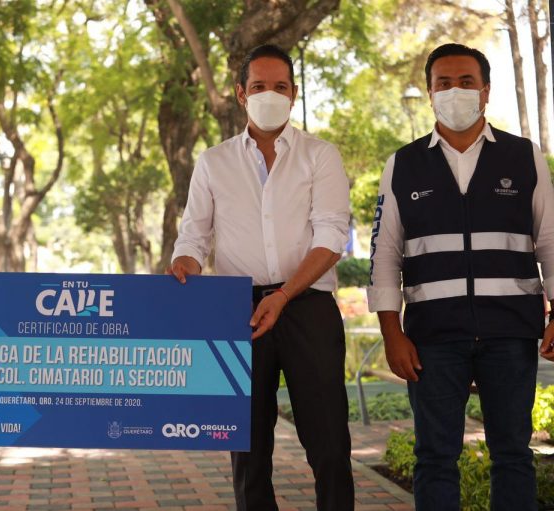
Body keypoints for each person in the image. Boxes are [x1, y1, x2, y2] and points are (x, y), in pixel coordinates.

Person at [368, 43, 554, 511]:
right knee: (434, 457)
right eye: (444, 83)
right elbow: (384, 254)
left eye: (466, 82)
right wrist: (391, 333)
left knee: (513, 454)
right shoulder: (403, 164)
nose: (455, 91)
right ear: (430, 93)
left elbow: (550, 240)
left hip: (510, 331)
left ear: (486, 91)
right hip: (431, 338)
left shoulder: (524, 157)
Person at [169, 44, 354, 511]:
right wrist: (184, 264)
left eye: (279, 87)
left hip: (308, 307)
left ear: (294, 93)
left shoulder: (320, 156)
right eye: (258, 87)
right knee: (248, 451)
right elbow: (194, 236)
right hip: (239, 312)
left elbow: (332, 237)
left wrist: (286, 294)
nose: (269, 95)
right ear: (240, 93)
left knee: (330, 444)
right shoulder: (213, 162)